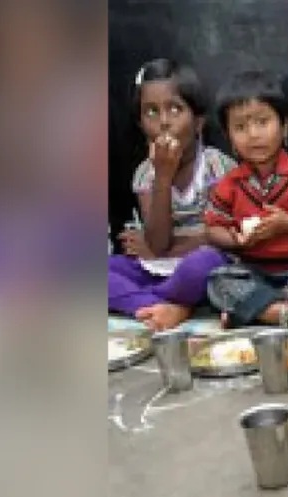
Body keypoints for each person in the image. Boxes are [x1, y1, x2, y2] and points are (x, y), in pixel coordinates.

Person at [108, 59, 237, 330]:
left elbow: (224, 237)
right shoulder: (146, 173)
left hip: (201, 268)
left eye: (175, 109)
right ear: (141, 124)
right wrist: (163, 178)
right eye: (151, 112)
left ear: (198, 122)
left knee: (204, 264)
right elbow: (158, 243)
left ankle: (155, 305)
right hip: (157, 270)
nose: (164, 122)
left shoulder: (216, 166)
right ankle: (172, 307)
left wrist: (169, 247)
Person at [202, 70, 288, 328]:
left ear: (284, 126)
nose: (253, 134)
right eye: (240, 127)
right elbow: (212, 229)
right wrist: (235, 239)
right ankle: (275, 311)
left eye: (263, 122)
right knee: (218, 282)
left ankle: (258, 310)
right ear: (229, 137)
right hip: (254, 270)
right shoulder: (230, 183)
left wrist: (286, 224)